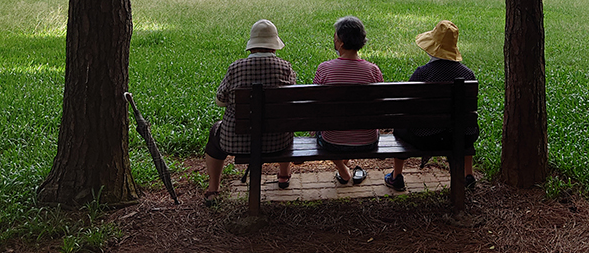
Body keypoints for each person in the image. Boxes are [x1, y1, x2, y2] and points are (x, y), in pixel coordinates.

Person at [203, 19, 296, 203]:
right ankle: (283, 176)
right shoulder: (285, 68)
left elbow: (220, 100)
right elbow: (289, 100)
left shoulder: (235, 68)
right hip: (277, 141)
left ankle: (213, 188)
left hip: (236, 141)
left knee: (215, 133)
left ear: (252, 46)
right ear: (274, 46)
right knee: (284, 122)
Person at [384, 20, 479, 192]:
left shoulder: (423, 73)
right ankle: (468, 175)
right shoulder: (468, 74)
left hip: (426, 138)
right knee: (463, 130)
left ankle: (396, 176)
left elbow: (407, 106)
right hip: (460, 137)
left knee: (400, 128)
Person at [313, 15, 383, 185]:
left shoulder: (325, 69)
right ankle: (344, 166)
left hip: (331, 142)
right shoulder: (373, 71)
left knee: (330, 132)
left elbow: (315, 106)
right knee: (352, 123)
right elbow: (380, 105)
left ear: (341, 42)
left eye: (335, 37)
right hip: (367, 141)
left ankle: (343, 171)